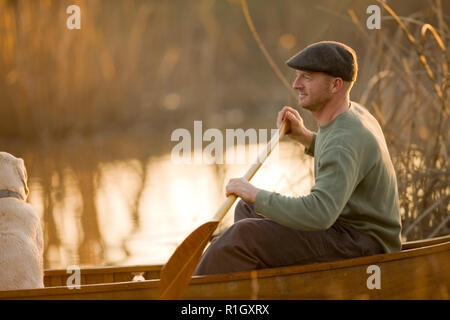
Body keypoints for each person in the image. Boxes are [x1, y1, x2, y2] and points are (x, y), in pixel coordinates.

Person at [194, 41, 402, 275]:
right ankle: (255, 285)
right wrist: (304, 137)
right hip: (345, 231)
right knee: (247, 208)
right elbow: (344, 161)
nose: (296, 85)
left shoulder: (344, 139)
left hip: (363, 244)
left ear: (335, 84)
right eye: (297, 76)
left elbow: (319, 213)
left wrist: (256, 193)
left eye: (307, 77)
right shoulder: (351, 115)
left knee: (243, 235)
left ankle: (193, 294)